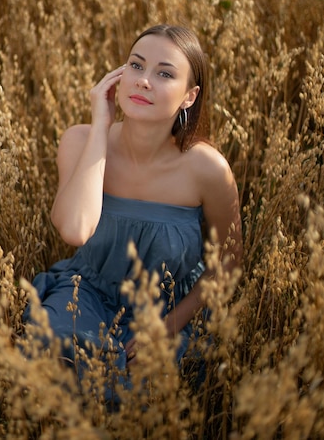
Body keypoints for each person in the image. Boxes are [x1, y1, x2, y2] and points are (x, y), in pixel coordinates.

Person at [23, 24, 242, 397]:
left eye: (164, 73)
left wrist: (169, 325)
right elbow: (75, 231)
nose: (143, 81)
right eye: (136, 66)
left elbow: (229, 262)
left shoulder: (207, 169)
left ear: (189, 96)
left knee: (144, 386)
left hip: (167, 308)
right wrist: (101, 125)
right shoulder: (80, 140)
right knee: (59, 354)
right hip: (86, 293)